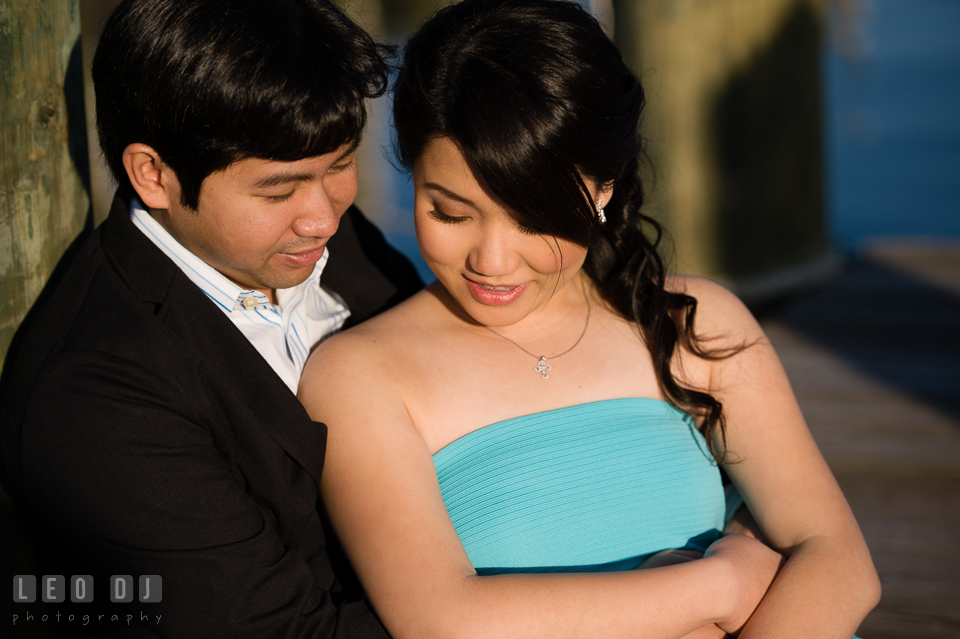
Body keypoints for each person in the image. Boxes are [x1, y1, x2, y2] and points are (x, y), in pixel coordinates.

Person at [297, 1, 881, 638]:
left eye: (534, 217)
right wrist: (720, 582)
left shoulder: (692, 324)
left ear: (602, 190)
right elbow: (445, 623)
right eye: (450, 213)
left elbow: (839, 559)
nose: (492, 262)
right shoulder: (360, 377)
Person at [0, 0, 420, 637]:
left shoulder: (296, 234)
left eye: (339, 165)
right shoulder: (99, 399)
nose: (325, 218)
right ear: (154, 175)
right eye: (277, 191)